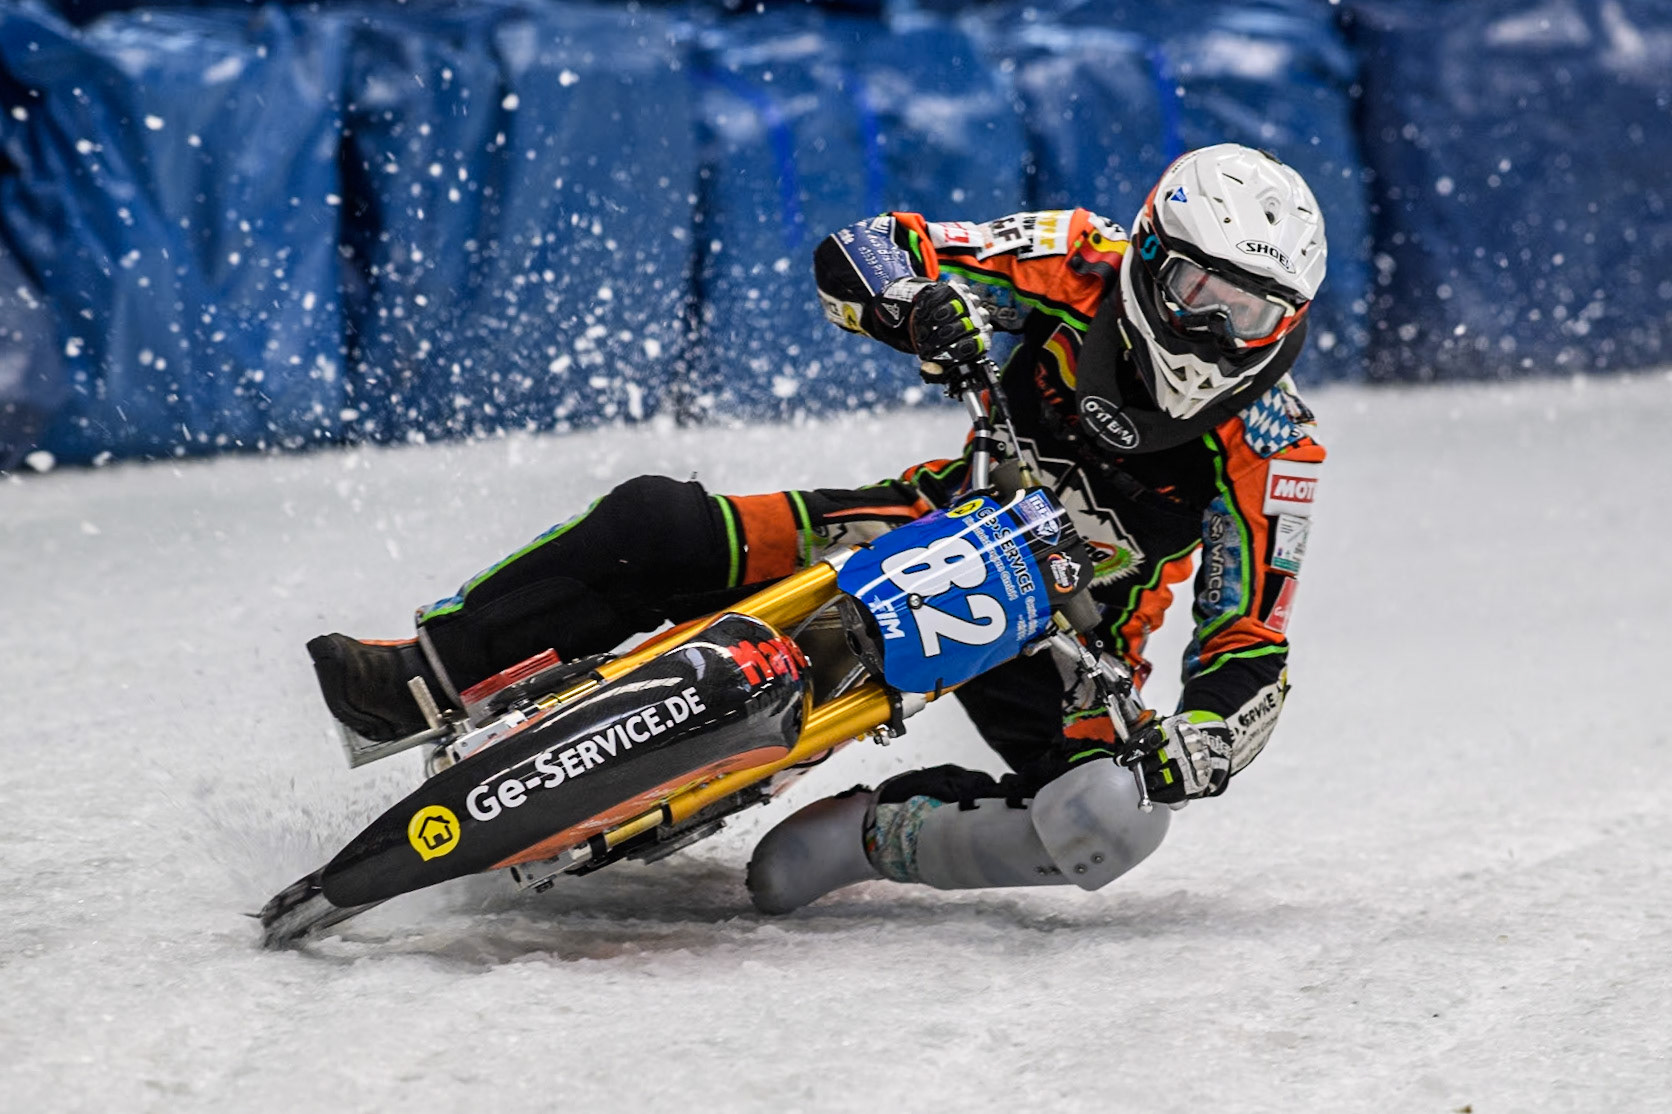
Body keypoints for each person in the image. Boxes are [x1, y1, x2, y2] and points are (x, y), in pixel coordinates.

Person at [308, 143, 1328, 912]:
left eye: (1250, 313)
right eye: (1199, 290)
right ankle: (422, 673)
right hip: (932, 514)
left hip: (1072, 639)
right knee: (659, 521)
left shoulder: (1273, 448)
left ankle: (868, 837)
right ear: (1149, 256)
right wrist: (917, 303)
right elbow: (869, 247)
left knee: (1109, 823)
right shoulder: (1073, 260)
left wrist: (1202, 741)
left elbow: (1249, 636)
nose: (1212, 332)